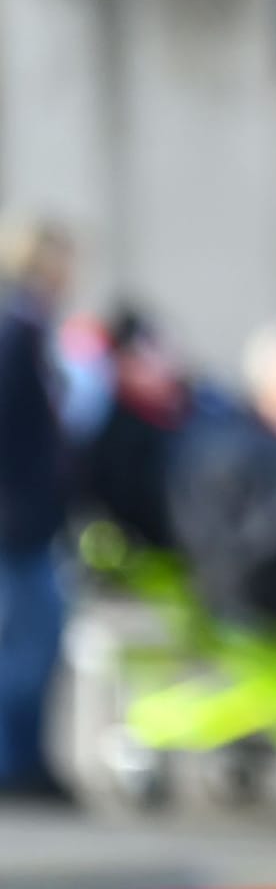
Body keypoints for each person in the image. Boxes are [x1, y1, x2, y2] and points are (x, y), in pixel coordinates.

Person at [0, 218, 74, 797]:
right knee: (27, 642)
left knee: (36, 639)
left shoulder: (30, 327)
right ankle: (14, 763)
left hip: (30, 516)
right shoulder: (14, 328)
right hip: (16, 519)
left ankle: (23, 759)